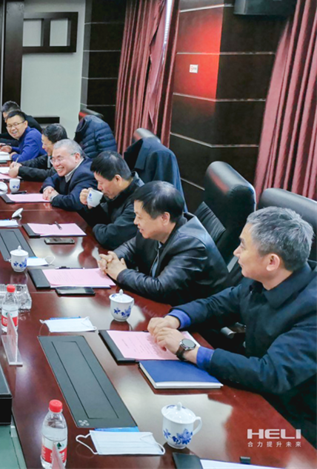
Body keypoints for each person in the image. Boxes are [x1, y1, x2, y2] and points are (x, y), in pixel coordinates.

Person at [149, 207, 317, 447]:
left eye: (243, 246)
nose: (236, 252)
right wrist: (176, 318)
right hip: (254, 391)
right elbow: (217, 305)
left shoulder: (312, 310)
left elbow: (270, 373)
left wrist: (189, 350)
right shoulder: (260, 279)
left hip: (295, 423)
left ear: (272, 261)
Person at [99, 181, 228, 305]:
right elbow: (131, 246)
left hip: (194, 315)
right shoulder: (156, 229)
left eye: (140, 217)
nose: (135, 221)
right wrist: (113, 259)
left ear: (164, 218)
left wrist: (121, 273)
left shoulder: (192, 245)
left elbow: (162, 289)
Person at [79, 151, 143, 250]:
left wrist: (95, 227)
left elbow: (111, 237)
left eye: (101, 182)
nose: (99, 187)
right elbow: (104, 220)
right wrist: (91, 206)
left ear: (117, 179)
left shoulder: (139, 200)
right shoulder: (114, 191)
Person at [40, 139, 97, 211]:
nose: (56, 164)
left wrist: (53, 197)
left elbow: (74, 202)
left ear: (76, 157)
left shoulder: (85, 173)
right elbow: (50, 179)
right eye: (53, 160)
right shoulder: (68, 169)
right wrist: (48, 188)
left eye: (60, 159)